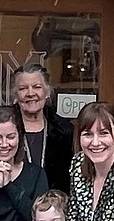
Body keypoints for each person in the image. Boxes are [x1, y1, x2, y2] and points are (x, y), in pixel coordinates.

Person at [13, 63, 73, 191]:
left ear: (47, 91)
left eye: (37, 87)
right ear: (16, 95)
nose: (30, 93)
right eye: (23, 88)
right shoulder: (4, 128)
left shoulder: (64, 130)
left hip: (55, 206)